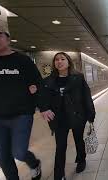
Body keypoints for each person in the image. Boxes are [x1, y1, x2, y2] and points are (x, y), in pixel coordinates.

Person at [0, 24, 42, 180]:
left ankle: (34, 163)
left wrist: (36, 99)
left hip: (21, 115)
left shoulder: (22, 60)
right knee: (2, 157)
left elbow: (38, 83)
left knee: (19, 152)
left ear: (7, 38)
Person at [39, 52, 96, 180]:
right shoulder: (48, 81)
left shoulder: (78, 78)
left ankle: (81, 160)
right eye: (56, 60)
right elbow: (42, 98)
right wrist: (44, 108)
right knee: (60, 146)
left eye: (62, 59)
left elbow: (86, 97)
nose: (59, 61)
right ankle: (59, 175)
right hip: (59, 119)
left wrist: (91, 114)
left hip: (77, 115)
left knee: (78, 140)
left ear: (68, 62)